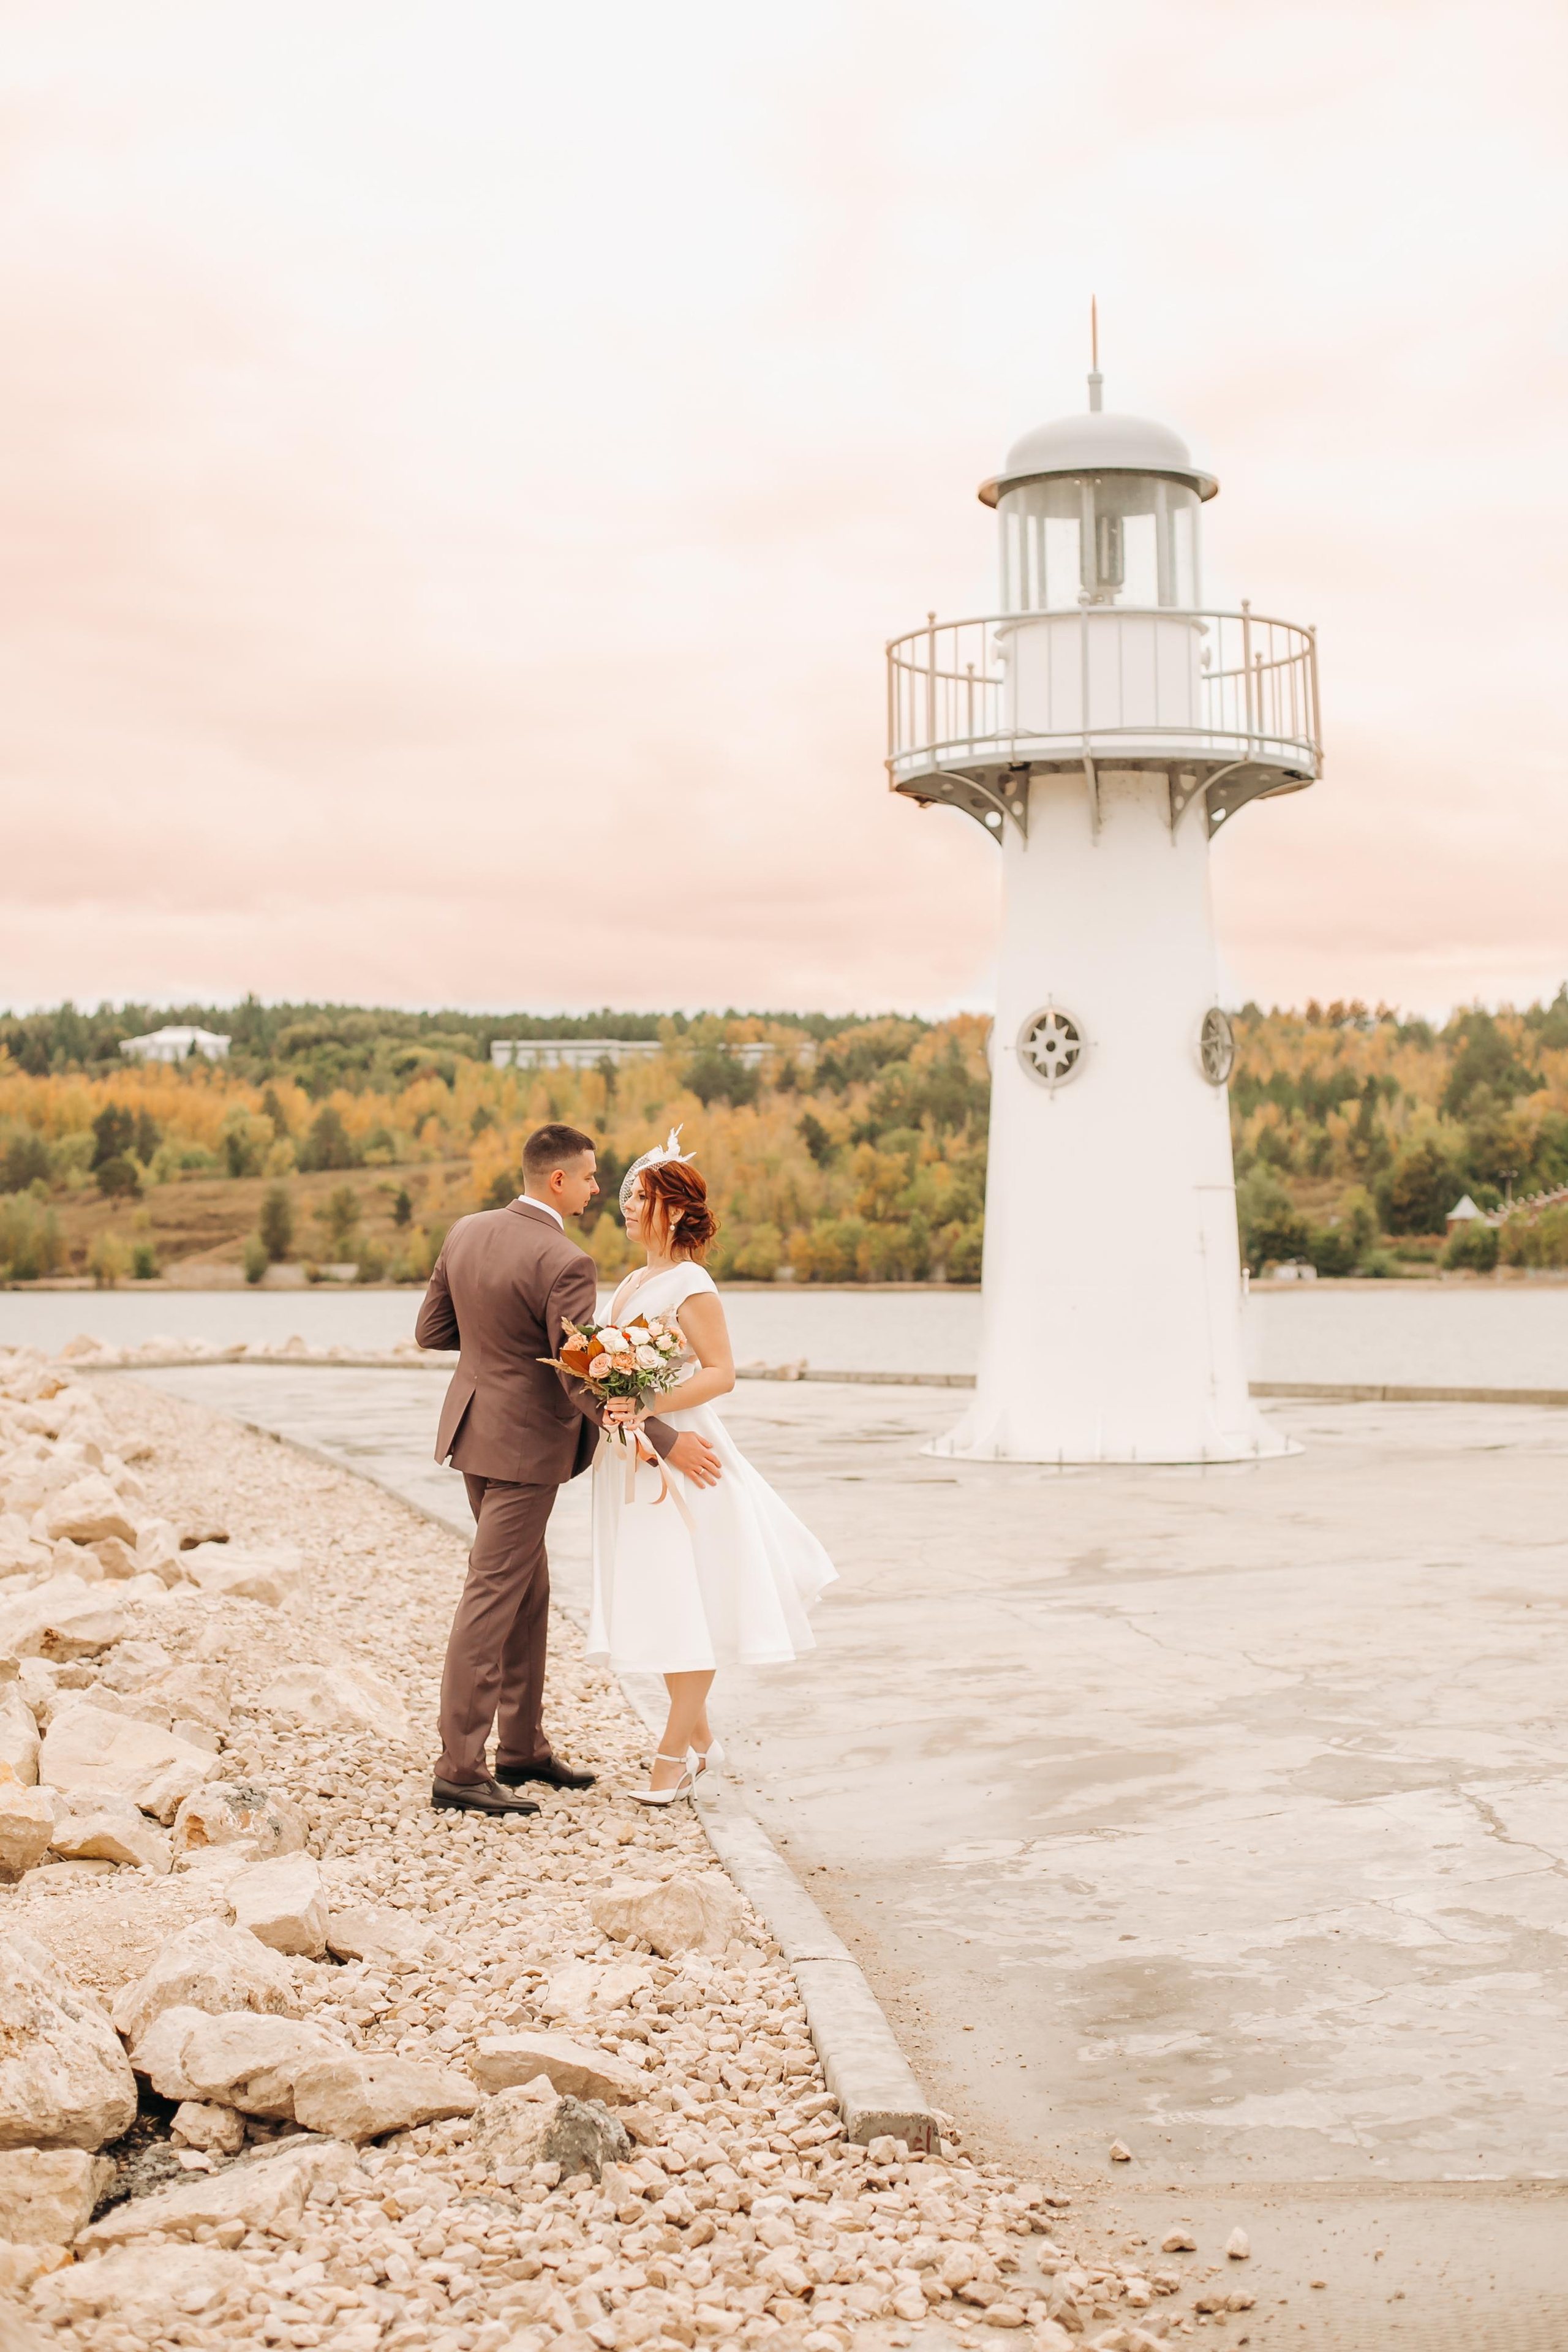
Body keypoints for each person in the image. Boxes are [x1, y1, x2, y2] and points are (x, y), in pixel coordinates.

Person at [416, 1123, 722, 1817]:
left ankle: (521, 1748)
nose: (596, 1192)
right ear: (558, 1180)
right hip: (524, 1450)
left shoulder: (465, 1231)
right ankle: (459, 1767)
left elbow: (432, 1332)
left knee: (527, 1588)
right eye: (589, 1179)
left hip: (470, 1433)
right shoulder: (564, 1259)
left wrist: (496, 1350)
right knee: (494, 1592)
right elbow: (576, 1374)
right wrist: (664, 1436)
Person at [588, 1132, 837, 1803]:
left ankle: (671, 1759)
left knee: (683, 1597)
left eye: (642, 1198)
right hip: (631, 1457)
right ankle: (703, 1744)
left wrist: (643, 1405)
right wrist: (623, 1409)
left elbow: (723, 1374)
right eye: (630, 1197)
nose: (629, 1208)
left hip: (684, 1456)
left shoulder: (691, 1283)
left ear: (673, 1210)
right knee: (664, 1595)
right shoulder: (634, 1281)